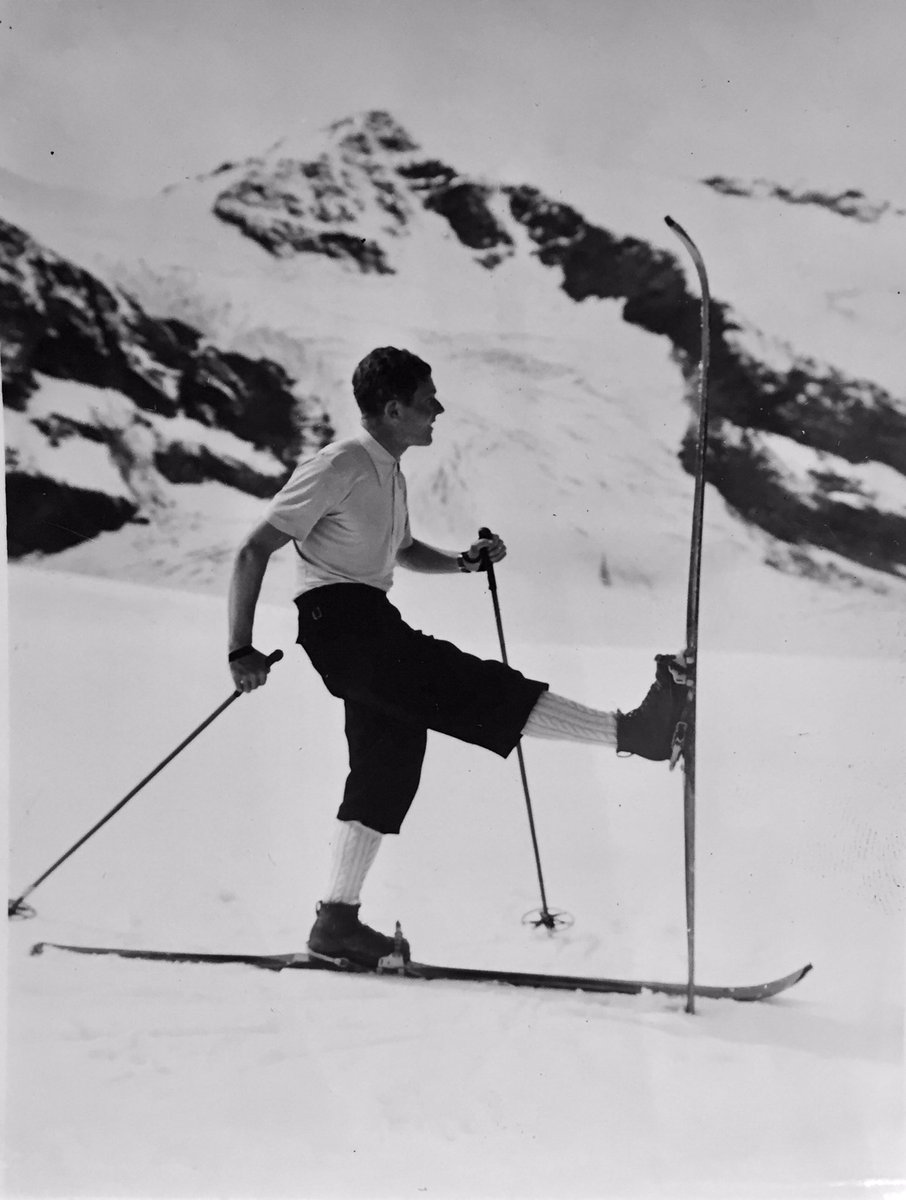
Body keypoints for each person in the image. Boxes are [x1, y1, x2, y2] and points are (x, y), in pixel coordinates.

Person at [228, 347, 688, 968]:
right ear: (393, 409)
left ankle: (335, 924)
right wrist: (240, 649)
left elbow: (403, 550)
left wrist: (463, 563)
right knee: (473, 688)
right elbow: (254, 550)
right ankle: (641, 732)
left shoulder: (388, 470)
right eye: (426, 400)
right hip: (342, 625)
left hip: (365, 622)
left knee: (387, 767)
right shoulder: (340, 464)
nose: (438, 409)